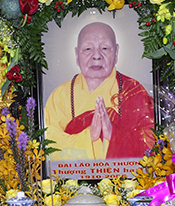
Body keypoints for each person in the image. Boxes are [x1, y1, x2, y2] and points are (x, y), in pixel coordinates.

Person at [44, 22, 154, 161]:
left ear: (116, 53)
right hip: (74, 175)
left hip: (124, 175)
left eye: (105, 48)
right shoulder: (60, 97)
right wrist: (88, 137)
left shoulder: (133, 92)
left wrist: (113, 134)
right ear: (77, 55)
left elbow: (152, 143)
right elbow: (48, 145)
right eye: (88, 48)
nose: (96, 56)